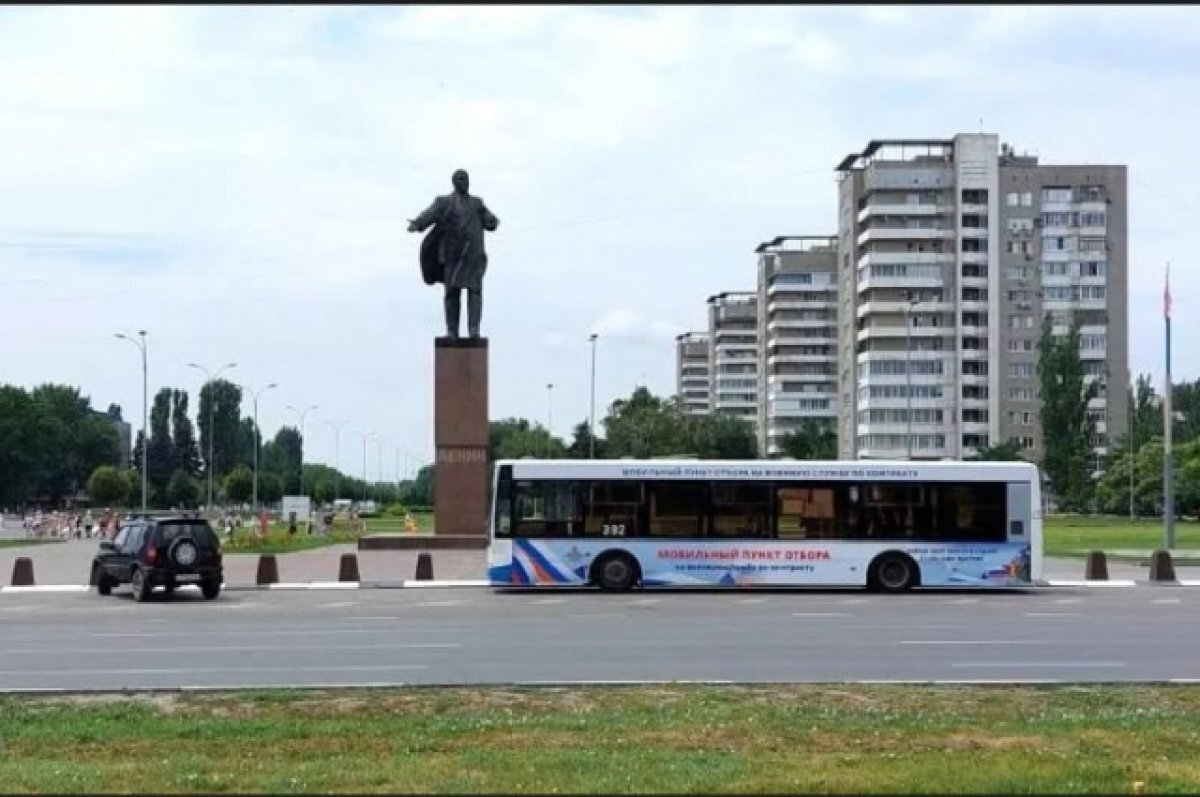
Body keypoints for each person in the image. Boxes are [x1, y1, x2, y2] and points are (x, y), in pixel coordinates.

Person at [408, 169, 499, 339]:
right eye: (460, 178)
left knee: (475, 293)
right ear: (454, 182)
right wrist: (418, 223)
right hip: (452, 256)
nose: (464, 181)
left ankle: (474, 330)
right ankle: (452, 331)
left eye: (465, 178)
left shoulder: (477, 203)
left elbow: (489, 221)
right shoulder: (444, 202)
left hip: (472, 257)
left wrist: (492, 220)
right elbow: (430, 214)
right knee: (451, 294)